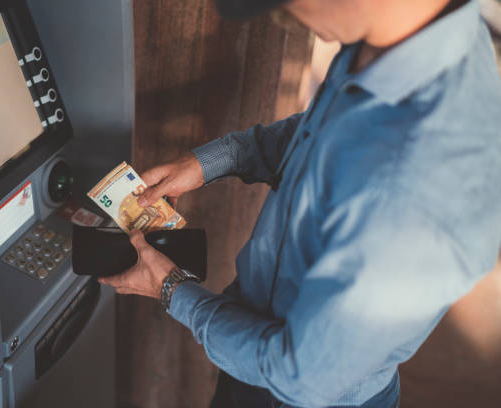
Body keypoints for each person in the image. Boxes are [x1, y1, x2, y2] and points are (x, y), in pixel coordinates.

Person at [98, 0, 501, 406]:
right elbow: (324, 136)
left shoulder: (426, 185)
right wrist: (215, 160)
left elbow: (298, 376)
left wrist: (171, 289)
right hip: (248, 355)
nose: (278, 16)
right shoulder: (393, 38)